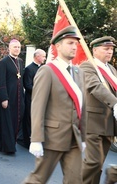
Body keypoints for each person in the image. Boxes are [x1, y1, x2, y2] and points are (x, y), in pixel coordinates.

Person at [23, 26, 86, 183]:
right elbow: (37, 106)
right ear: (58, 46)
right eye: (70, 43)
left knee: (75, 180)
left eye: (75, 44)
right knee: (38, 179)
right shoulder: (47, 71)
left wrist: (83, 137)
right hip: (52, 138)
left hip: (74, 138)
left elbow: (82, 107)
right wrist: (36, 139)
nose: (74, 47)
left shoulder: (79, 73)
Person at [80, 36, 117, 184]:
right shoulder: (87, 66)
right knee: (93, 162)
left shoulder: (112, 69)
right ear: (95, 50)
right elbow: (95, 87)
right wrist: (115, 103)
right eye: (106, 49)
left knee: (98, 164)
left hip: (109, 123)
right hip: (93, 122)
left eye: (112, 49)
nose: (110, 52)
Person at [0, 39, 25, 154]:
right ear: (9, 48)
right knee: (6, 121)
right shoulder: (4, 62)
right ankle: (7, 147)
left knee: (15, 121)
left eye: (19, 47)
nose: (17, 49)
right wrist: (4, 98)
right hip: (8, 97)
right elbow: (1, 81)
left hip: (18, 97)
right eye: (15, 47)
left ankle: (8, 142)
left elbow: (21, 79)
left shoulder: (20, 61)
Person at [22, 49, 46, 149]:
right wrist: (39, 92)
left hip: (41, 99)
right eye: (43, 56)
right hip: (30, 98)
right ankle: (28, 141)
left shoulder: (44, 68)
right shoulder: (29, 69)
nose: (45, 58)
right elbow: (27, 85)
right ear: (37, 57)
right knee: (29, 119)